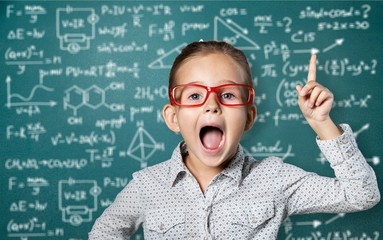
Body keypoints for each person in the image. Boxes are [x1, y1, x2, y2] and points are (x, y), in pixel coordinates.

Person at [89, 41, 380, 239]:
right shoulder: (147, 185)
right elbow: (103, 232)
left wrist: (322, 123)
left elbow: (362, 196)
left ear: (249, 117)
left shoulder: (274, 179)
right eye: (194, 95)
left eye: (227, 94)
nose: (211, 104)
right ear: (173, 118)